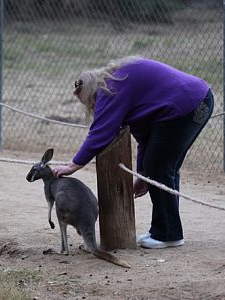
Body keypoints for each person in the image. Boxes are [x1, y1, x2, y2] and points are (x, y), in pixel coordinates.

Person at [53, 56, 214, 249]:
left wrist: (74, 165)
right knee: (162, 167)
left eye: (88, 103)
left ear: (90, 92)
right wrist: (143, 175)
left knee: (160, 166)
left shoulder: (108, 89)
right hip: (199, 100)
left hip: (187, 104)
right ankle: (164, 230)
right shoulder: (119, 82)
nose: (92, 107)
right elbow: (145, 138)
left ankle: (168, 234)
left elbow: (101, 131)